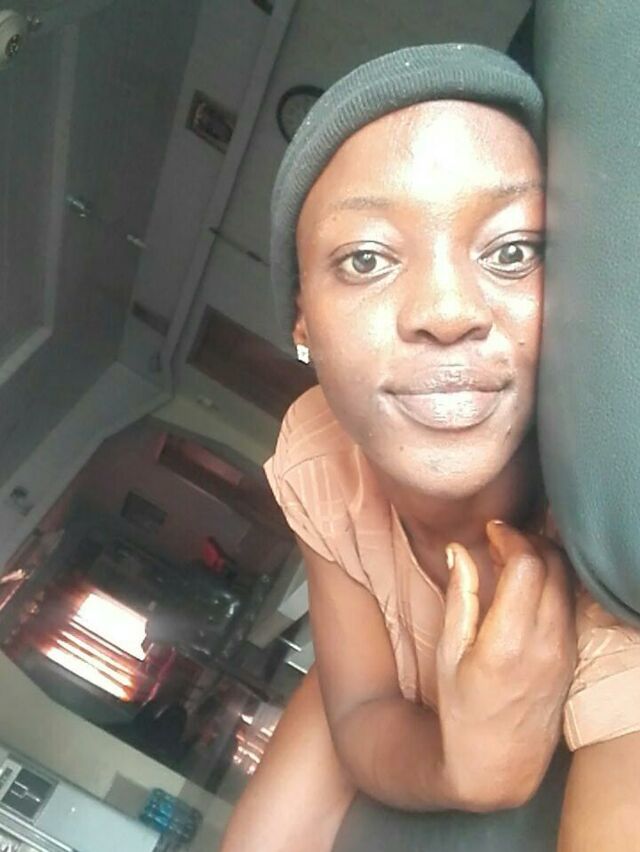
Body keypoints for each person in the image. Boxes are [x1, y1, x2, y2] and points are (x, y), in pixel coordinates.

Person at [222, 44, 640, 852]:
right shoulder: (319, 450)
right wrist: (457, 771)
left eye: (512, 250)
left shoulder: (603, 558)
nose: (447, 312)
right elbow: (357, 707)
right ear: (303, 320)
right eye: (366, 258)